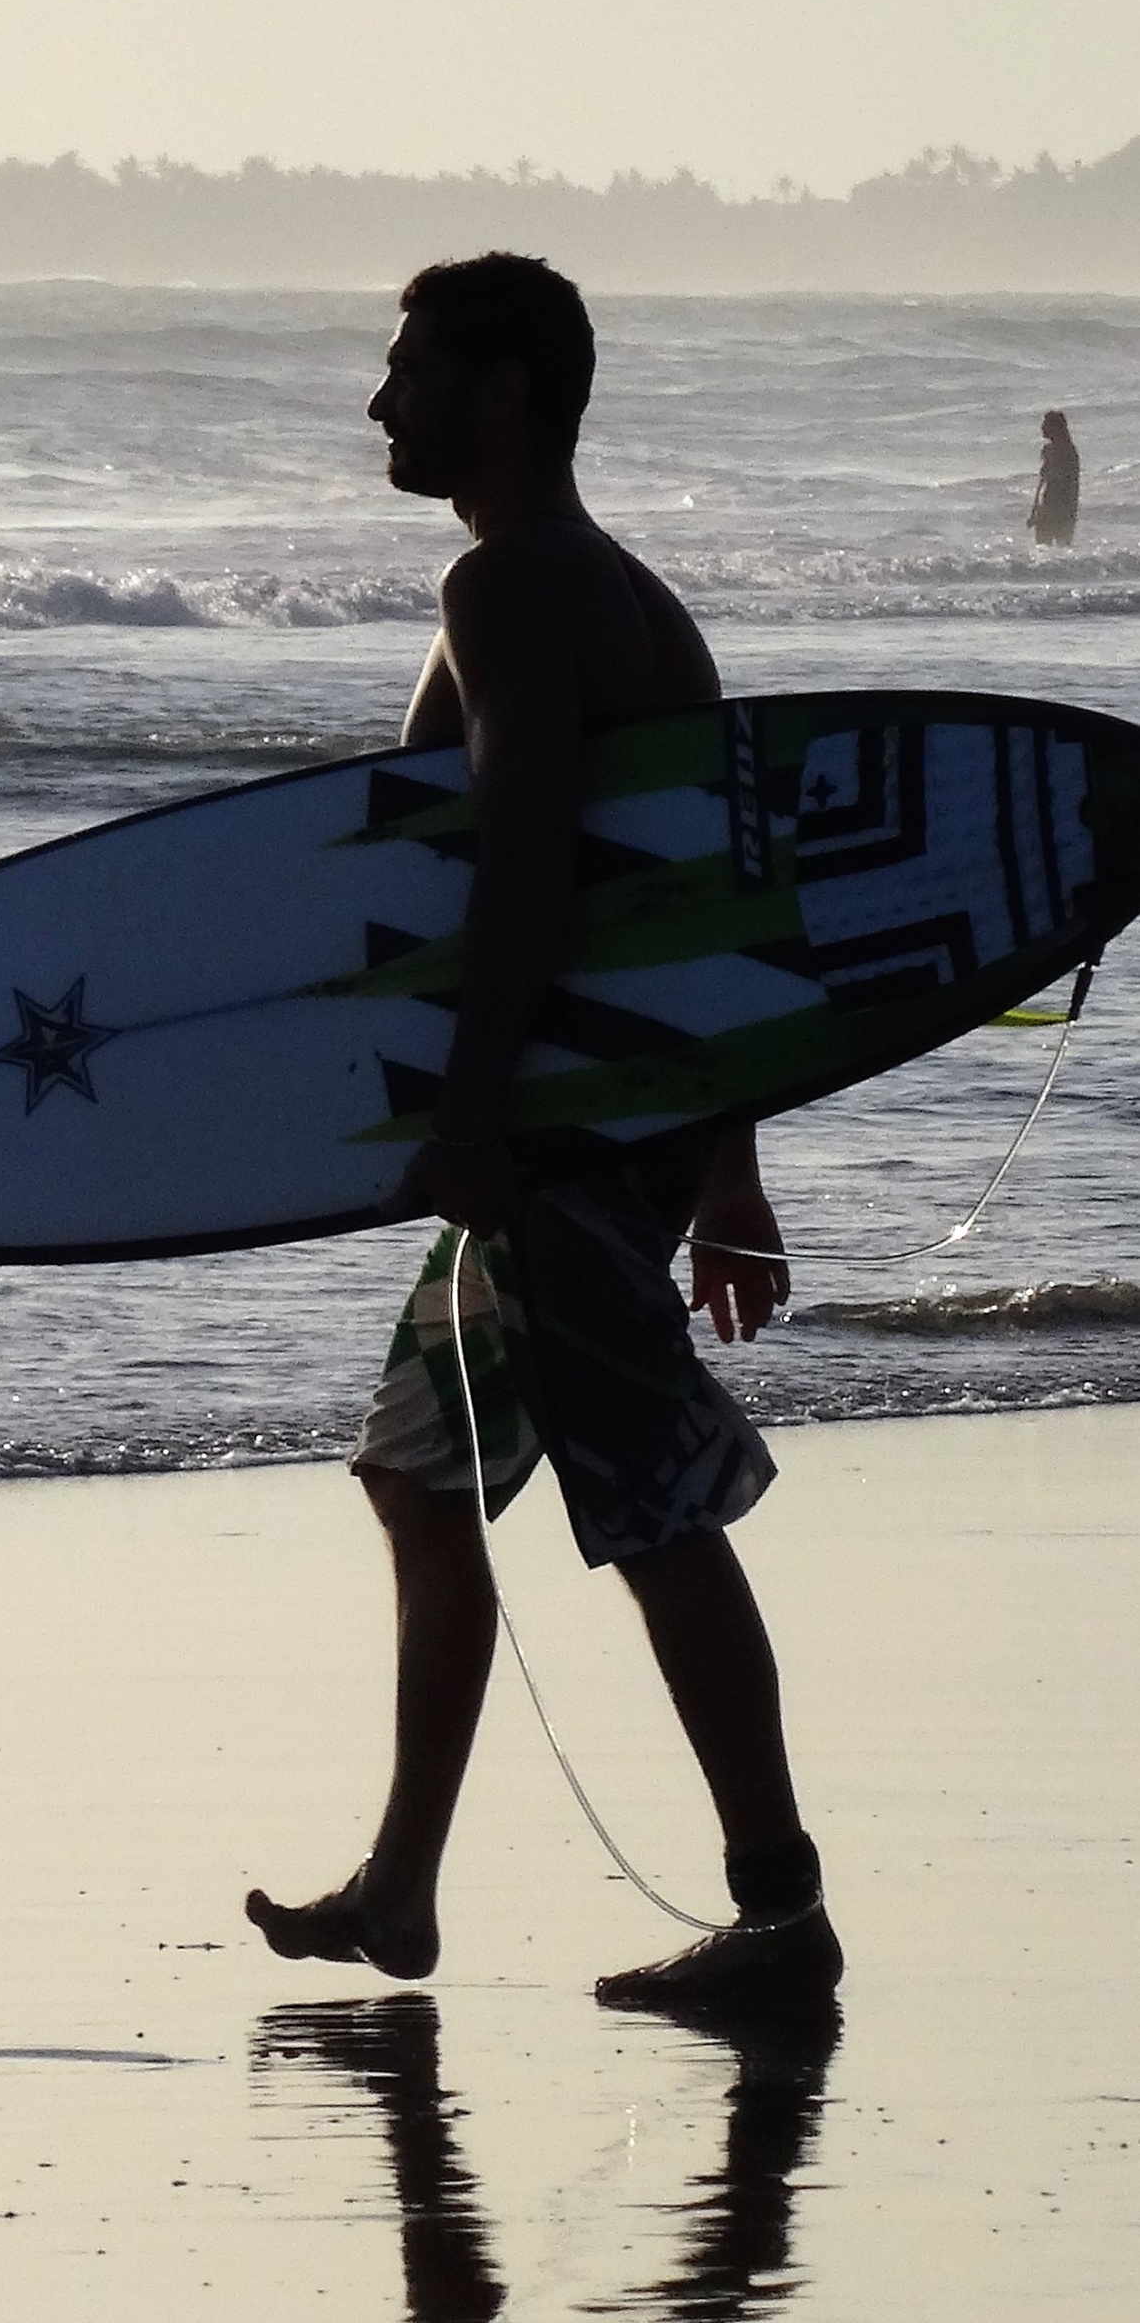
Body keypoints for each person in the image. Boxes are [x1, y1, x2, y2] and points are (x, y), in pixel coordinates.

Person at [246, 254, 842, 2010]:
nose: (383, 400)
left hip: (564, 1134)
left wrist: (485, 1119)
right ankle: (402, 1889)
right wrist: (729, 1164)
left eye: (411, 367)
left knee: (654, 1510)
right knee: (416, 1472)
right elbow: (705, 910)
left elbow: (517, 869)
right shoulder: (625, 601)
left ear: (499, 394)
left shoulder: (510, 592)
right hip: (606, 1120)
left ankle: (781, 1910)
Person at [1027, 410, 1080, 547]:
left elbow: (1073, 483)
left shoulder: (1068, 451)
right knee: (1042, 547)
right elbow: (1041, 483)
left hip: (1062, 505)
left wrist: (1071, 512)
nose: (1042, 428)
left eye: (1045, 424)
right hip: (1047, 504)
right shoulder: (1047, 450)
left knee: (1062, 547)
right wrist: (1034, 511)